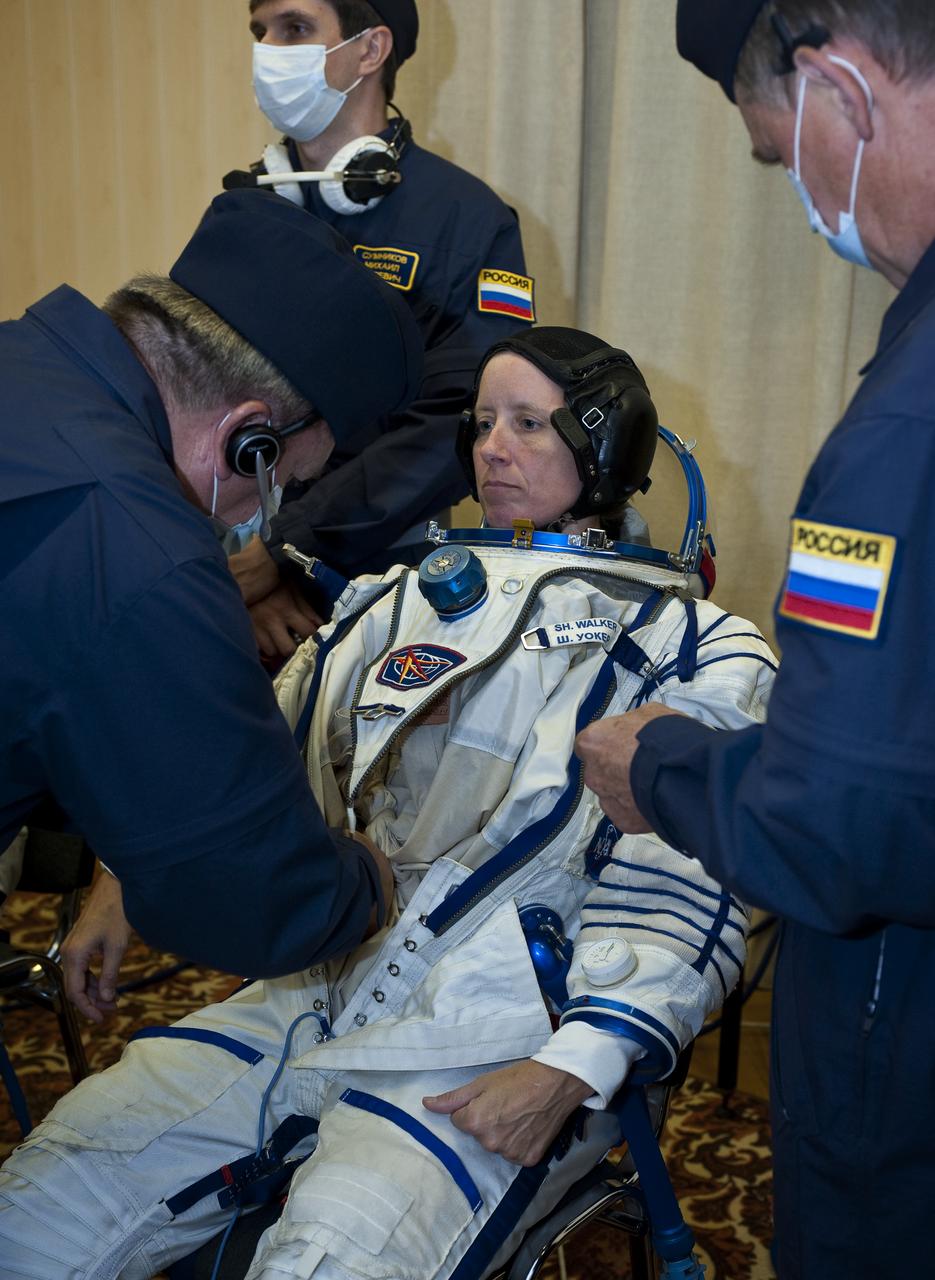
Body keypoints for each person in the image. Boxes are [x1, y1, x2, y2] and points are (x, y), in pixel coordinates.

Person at [0, 327, 777, 1279]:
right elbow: (224, 766)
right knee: (40, 1210)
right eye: (483, 421)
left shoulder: (691, 647)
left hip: (500, 1039)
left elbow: (684, 887)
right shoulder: (385, 603)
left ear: (603, 447)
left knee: (329, 1259)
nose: (493, 446)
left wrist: (573, 1067)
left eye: (530, 424)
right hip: (312, 991)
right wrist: (118, 883)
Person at [573, 4, 935, 1276]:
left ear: (836, 84)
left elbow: (836, 826)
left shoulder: (899, 430)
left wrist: (661, 768)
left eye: (779, 159)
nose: (801, 203)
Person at [0, 188, 424, 996]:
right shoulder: (145, 554)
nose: (262, 520)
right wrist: (362, 882)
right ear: (249, 437)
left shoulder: (24, 365)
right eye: (285, 484)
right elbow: (246, 897)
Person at [229, 0, 534, 658]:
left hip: (381, 579)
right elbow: (188, 405)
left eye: (295, 28)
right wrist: (239, 572)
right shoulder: (242, 208)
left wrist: (290, 553)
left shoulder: (466, 219)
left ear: (370, 51)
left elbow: (463, 421)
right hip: (233, 575)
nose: (268, 51)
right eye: (261, 32)